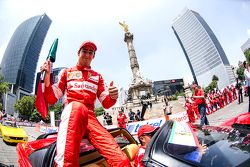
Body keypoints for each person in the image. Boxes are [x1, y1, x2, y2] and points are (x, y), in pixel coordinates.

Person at [41, 41, 130, 167]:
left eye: (91, 52)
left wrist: (113, 96)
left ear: (93, 56)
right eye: (84, 51)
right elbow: (51, 98)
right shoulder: (66, 72)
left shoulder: (97, 76)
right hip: (73, 114)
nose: (87, 55)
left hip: (91, 119)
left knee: (122, 161)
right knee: (77, 107)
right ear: (78, 53)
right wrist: (47, 76)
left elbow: (106, 102)